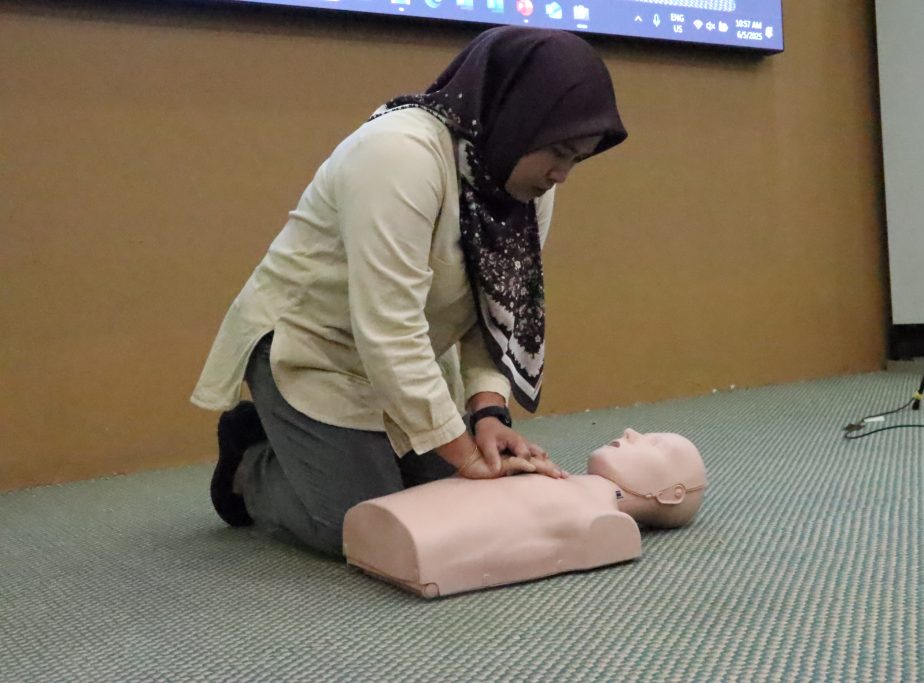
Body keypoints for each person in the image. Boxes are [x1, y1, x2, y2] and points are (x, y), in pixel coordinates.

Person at [189, 26, 628, 556]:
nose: (562, 174)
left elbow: (496, 308)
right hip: (313, 348)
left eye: (578, 158)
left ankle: (325, 447)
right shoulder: (399, 154)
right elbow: (388, 328)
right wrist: (464, 454)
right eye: (558, 151)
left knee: (443, 501)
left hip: (407, 355)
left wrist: (488, 414)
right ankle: (250, 462)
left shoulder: (526, 184)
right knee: (359, 525)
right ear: (517, 115)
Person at [343, 429, 707, 598]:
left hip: (419, 541)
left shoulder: (608, 523)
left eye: (654, 444)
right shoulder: (563, 481)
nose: (630, 432)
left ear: (672, 494)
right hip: (401, 520)